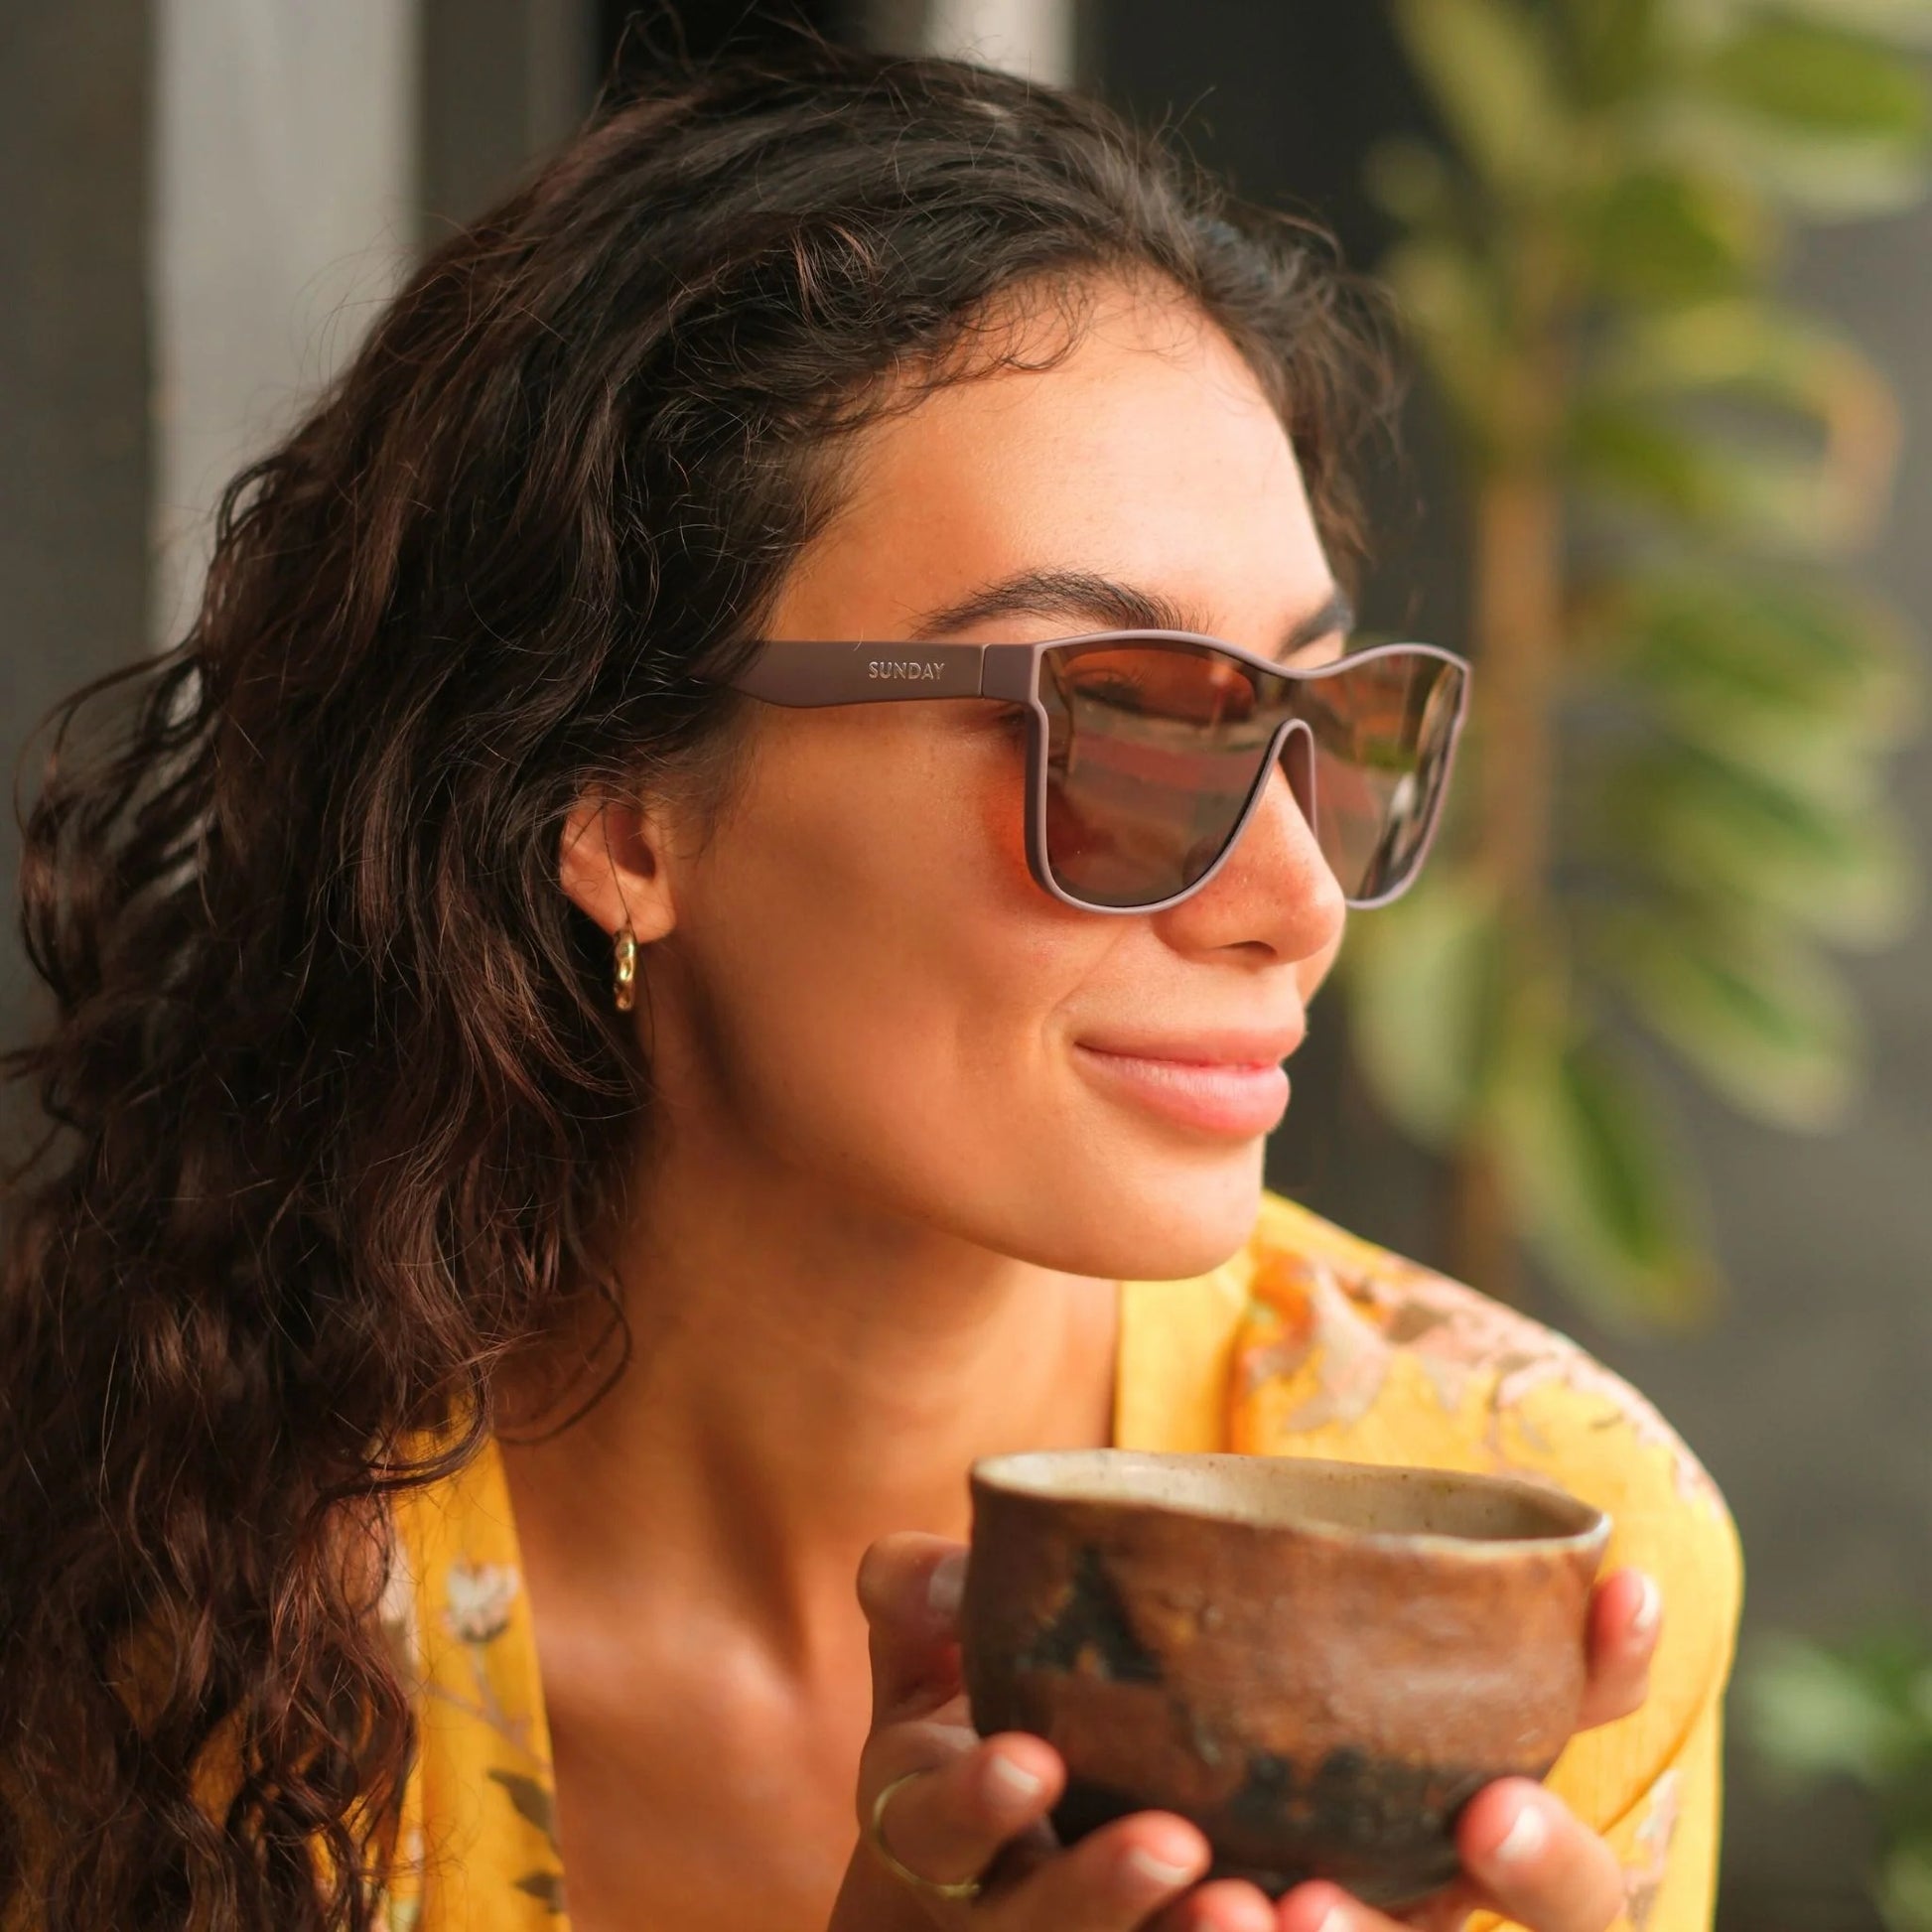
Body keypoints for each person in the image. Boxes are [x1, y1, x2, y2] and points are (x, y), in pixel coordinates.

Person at [0, 36, 1741, 1932]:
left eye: (1323, 721)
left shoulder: (1523, 1554)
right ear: (622, 808)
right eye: (1120, 726)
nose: (1296, 900)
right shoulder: (150, 1549)